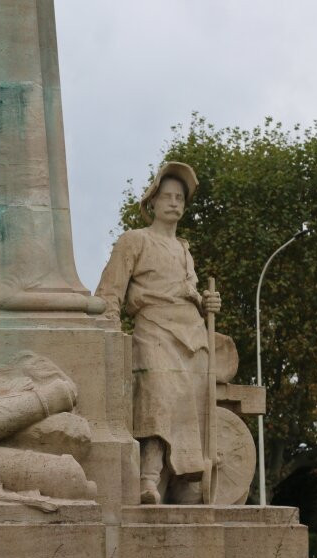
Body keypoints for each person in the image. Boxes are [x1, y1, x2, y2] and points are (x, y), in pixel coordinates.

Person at [94, 162, 221, 504]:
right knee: (157, 401)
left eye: (179, 198)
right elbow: (110, 292)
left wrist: (206, 301)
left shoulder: (184, 249)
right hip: (153, 331)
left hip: (192, 337)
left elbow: (190, 289)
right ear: (153, 201)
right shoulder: (134, 240)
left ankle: (185, 479)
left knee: (188, 409)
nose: (174, 203)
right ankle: (147, 480)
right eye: (166, 196)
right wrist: (107, 335)